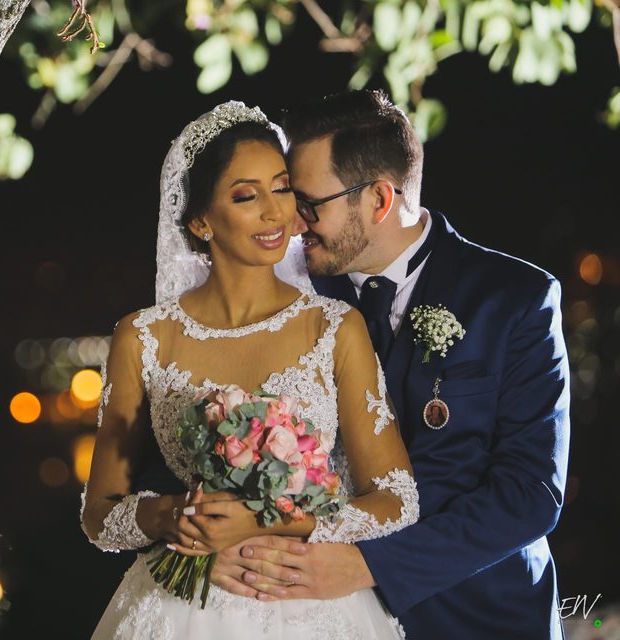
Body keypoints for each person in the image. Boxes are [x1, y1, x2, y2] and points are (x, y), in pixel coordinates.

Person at [210, 90, 571, 640]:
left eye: (310, 204)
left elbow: (530, 495)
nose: (295, 223)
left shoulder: (516, 298)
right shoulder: (289, 298)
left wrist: (370, 565)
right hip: (318, 620)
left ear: (379, 198)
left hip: (479, 616)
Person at [79, 101, 419, 638]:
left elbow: (396, 500)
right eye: (246, 196)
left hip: (313, 605)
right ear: (199, 220)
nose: (276, 213)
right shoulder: (143, 336)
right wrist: (173, 516)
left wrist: (272, 518)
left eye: (282, 187)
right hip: (183, 605)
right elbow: (100, 514)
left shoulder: (333, 328)